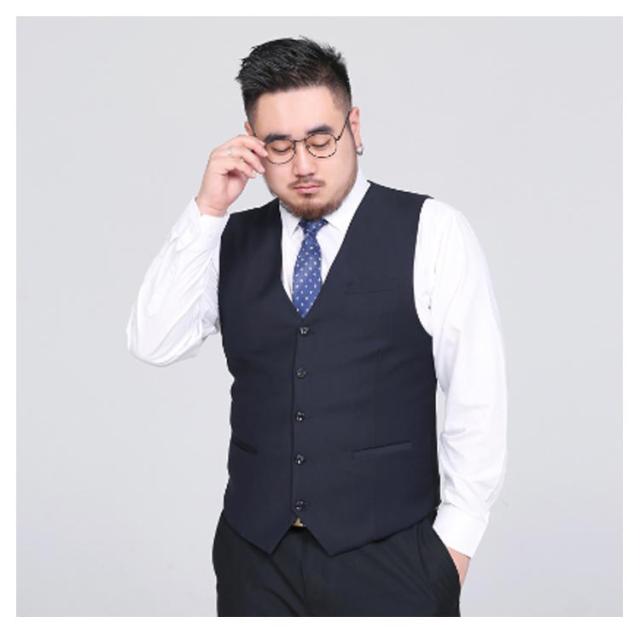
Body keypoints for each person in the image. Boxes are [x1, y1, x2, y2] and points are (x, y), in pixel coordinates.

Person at [126, 36, 508, 617]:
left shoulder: (433, 231)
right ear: (252, 144)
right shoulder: (228, 240)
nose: (303, 165)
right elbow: (152, 341)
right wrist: (207, 211)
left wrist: (453, 547)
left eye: (320, 140)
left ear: (354, 126)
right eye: (279, 146)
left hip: (393, 558)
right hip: (254, 560)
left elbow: (478, 396)